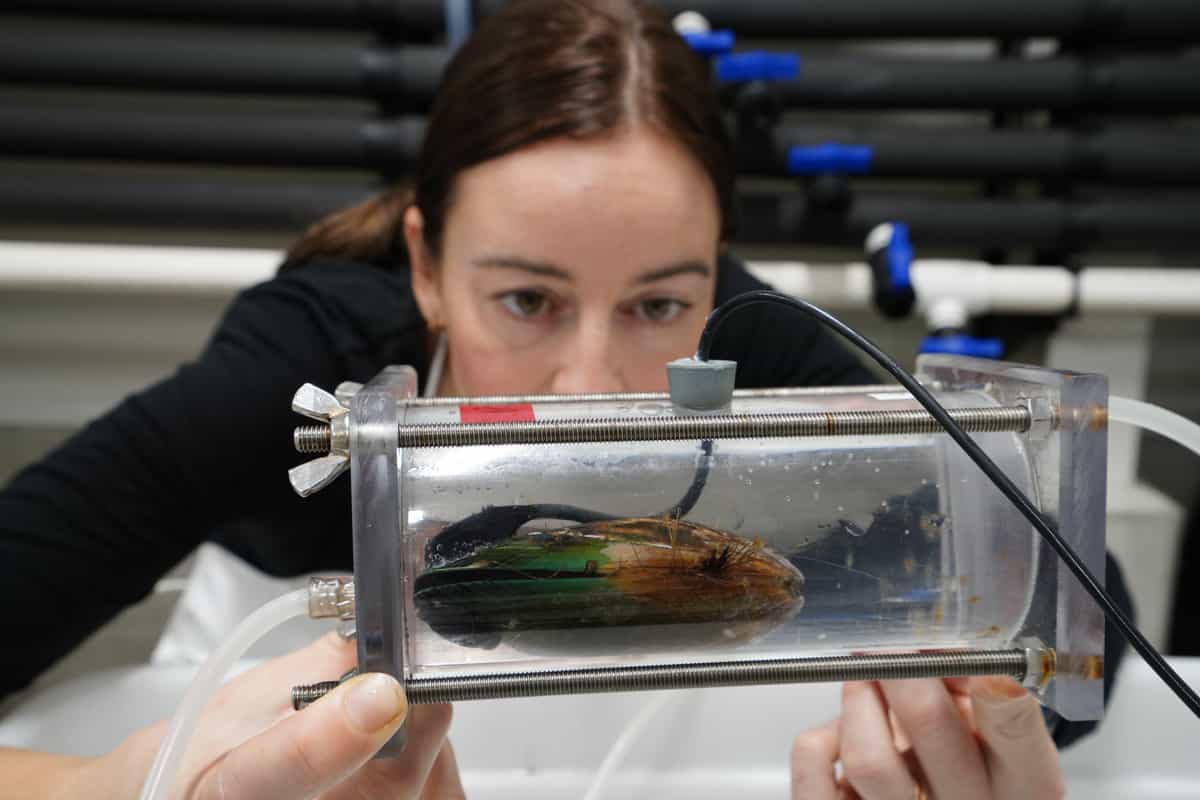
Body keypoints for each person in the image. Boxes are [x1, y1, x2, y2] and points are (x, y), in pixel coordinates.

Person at [0, 0, 1130, 796]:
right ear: (427, 267)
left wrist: (959, 719)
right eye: (528, 301)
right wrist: (120, 783)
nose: (591, 385)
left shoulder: (755, 343)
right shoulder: (299, 374)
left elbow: (1080, 624)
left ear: (715, 271)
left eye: (656, 305)